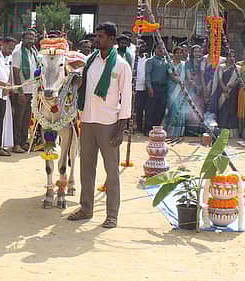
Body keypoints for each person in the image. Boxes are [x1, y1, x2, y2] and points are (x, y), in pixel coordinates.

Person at [67, 22, 132, 229]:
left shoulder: (121, 65)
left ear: (112, 40)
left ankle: (112, 214)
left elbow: (127, 99)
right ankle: (86, 208)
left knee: (111, 171)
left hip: (109, 124)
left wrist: (121, 129)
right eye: (96, 36)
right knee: (86, 168)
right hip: (87, 120)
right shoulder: (89, 61)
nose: (96, 40)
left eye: (101, 37)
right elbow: (79, 83)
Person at [166, 45, 206, 137]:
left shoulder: (184, 64)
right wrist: (181, 82)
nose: (179, 54)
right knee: (173, 108)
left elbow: (189, 77)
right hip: (173, 89)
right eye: (177, 53)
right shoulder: (170, 63)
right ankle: (171, 132)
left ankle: (179, 132)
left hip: (183, 90)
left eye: (181, 53)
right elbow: (172, 76)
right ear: (174, 54)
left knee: (180, 111)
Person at [11, 28, 39, 153]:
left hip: (31, 90)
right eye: (28, 38)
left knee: (26, 118)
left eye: (32, 38)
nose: (30, 40)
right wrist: (20, 92)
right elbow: (16, 73)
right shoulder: (18, 52)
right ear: (22, 39)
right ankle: (16, 143)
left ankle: (23, 141)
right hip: (21, 91)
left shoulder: (33, 52)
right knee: (18, 118)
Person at [213, 49, 241, 133]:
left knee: (232, 111)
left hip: (233, 93)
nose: (231, 58)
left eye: (233, 56)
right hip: (222, 92)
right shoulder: (221, 66)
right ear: (226, 57)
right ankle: (221, 132)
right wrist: (224, 90)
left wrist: (232, 85)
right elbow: (220, 79)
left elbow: (239, 79)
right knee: (223, 111)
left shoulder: (238, 68)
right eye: (229, 56)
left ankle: (232, 133)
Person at [144, 43, 170, 133]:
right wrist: (149, 87)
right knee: (151, 109)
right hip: (154, 87)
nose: (161, 50)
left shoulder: (166, 61)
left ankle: (156, 128)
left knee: (161, 109)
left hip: (163, 88)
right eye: (159, 48)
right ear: (155, 49)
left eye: (163, 48)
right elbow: (147, 75)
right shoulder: (150, 61)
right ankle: (147, 129)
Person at [1, 36, 17, 154]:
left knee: (7, 121)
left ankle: (5, 144)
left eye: (12, 49)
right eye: (9, 48)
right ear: (3, 45)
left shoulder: (9, 57)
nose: (10, 51)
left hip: (7, 94)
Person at [134, 40, 149, 134]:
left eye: (143, 46)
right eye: (139, 46)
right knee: (136, 109)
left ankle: (142, 127)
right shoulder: (133, 58)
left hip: (145, 87)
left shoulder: (147, 59)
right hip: (135, 87)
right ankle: (135, 126)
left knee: (144, 109)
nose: (141, 48)